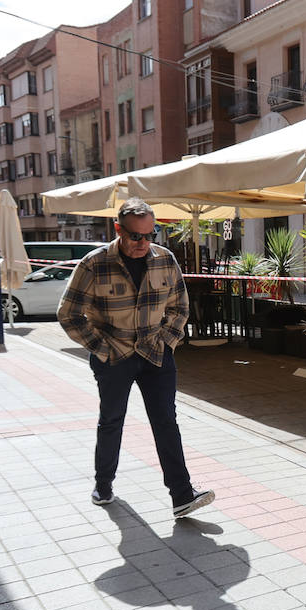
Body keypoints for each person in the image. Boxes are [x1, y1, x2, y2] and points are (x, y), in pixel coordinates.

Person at [57, 199, 213, 518]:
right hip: (114, 356)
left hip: (156, 354)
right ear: (118, 230)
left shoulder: (165, 260)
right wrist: (103, 348)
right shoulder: (94, 263)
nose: (143, 243)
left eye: (150, 235)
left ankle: (182, 495)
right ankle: (104, 485)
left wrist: (167, 342)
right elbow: (68, 313)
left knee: (166, 421)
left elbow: (179, 308)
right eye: (136, 236)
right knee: (112, 420)